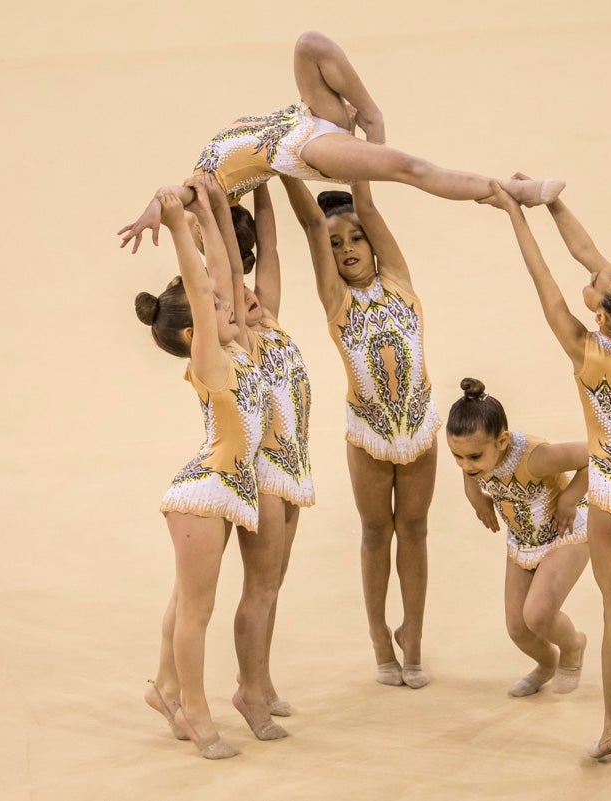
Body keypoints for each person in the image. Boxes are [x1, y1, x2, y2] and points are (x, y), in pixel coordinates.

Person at [479, 180, 611, 760]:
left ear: (599, 309)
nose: (592, 272)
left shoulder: (585, 350)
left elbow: (543, 278)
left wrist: (515, 213)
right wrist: (551, 200)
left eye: (596, 281)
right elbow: (590, 254)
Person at [117, 31, 564, 254]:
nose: (193, 232)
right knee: (411, 169)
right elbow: (172, 196)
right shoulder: (209, 192)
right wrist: (156, 209)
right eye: (199, 236)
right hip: (301, 150)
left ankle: (370, 115)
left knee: (309, 44)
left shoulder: (207, 176)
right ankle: (512, 190)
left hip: (303, 117)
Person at [136, 175, 285, 759]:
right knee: (198, 611)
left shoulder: (238, 349)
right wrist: (179, 226)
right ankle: (195, 715)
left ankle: (165, 689)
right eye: (217, 309)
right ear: (192, 332)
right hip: (204, 494)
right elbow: (202, 288)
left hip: (226, 493)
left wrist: (212, 207)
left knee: (185, 601)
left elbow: (220, 274)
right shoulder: (210, 362)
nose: (229, 304)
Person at [281, 175, 439, 688]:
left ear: (372, 241)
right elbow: (310, 224)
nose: (347, 248)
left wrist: (356, 156)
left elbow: (366, 203)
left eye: (355, 237)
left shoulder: (399, 281)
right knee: (376, 532)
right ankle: (378, 638)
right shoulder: (337, 302)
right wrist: (284, 162)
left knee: (414, 530)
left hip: (419, 428)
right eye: (336, 244)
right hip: (369, 433)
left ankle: (413, 636)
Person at [214, 179, 315, 718]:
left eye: (251, 288)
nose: (249, 292)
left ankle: (259, 680)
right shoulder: (240, 339)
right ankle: (249, 693)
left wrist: (265, 182)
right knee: (260, 588)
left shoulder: (268, 319)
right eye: (239, 291)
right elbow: (231, 266)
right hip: (262, 475)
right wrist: (215, 206)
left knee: (273, 586)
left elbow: (268, 247)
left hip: (293, 470)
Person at [446, 378, 591, 698]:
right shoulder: (475, 456)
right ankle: (547, 663)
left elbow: (595, 455)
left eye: (473, 457)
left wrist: (569, 499)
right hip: (523, 541)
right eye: (457, 456)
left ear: (503, 441)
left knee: (538, 614)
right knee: (518, 629)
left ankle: (573, 646)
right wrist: (475, 496)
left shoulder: (537, 458)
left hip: (565, 534)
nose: (465, 465)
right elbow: (468, 470)